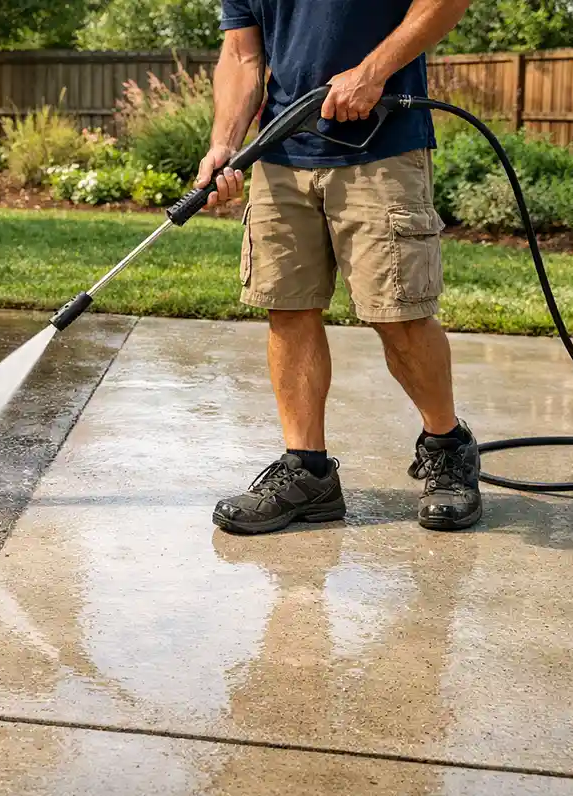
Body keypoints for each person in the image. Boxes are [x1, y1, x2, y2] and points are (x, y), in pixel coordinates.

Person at [201, 0, 482, 535]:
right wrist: (225, 144)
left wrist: (372, 71)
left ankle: (448, 447)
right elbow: (241, 55)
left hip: (382, 148)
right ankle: (307, 474)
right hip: (282, 152)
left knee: (397, 313)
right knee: (287, 308)